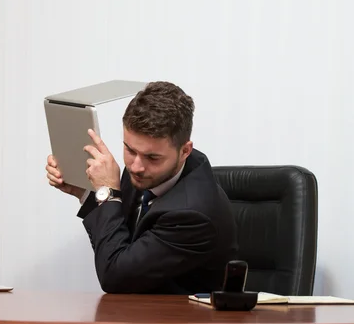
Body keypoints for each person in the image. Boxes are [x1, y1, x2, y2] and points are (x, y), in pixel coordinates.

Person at [46, 81, 238, 294]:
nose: (136, 167)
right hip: (139, 310)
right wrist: (83, 192)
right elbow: (117, 243)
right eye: (130, 149)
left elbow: (115, 276)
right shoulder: (147, 172)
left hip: (182, 321)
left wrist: (108, 192)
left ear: (185, 151)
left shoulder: (193, 215)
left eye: (152, 157)